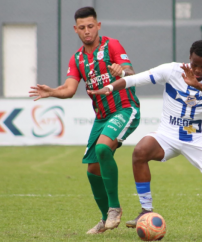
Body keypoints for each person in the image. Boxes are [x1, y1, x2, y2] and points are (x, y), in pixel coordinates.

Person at [87, 40, 202, 239]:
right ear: (189, 58)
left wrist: (197, 84)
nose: (198, 70)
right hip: (168, 134)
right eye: (195, 64)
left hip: (199, 139)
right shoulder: (171, 70)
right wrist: (110, 88)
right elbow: (135, 79)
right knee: (140, 152)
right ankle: (146, 211)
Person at [29, 6, 140, 235]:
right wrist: (51, 92)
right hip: (101, 117)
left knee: (102, 149)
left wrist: (122, 71)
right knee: (92, 170)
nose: (87, 31)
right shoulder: (77, 58)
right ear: (76, 29)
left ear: (98, 25)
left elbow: (130, 71)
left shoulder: (112, 45)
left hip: (125, 109)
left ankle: (115, 209)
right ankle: (103, 219)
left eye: (91, 26)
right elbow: (69, 89)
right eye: (82, 28)